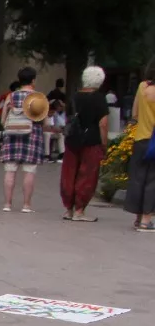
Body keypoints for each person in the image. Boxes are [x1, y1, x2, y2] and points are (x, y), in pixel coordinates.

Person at [61, 65, 110, 222]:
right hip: (91, 140)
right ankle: (80, 210)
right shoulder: (99, 99)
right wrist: (104, 144)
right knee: (87, 174)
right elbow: (103, 124)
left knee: (69, 173)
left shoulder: (74, 97)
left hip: (72, 139)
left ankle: (68, 209)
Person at [0, 67, 47, 213]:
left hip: (12, 135)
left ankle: (7, 204)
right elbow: (44, 121)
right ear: (33, 80)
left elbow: (3, 120)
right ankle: (26, 205)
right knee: (29, 171)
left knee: (10, 170)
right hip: (32, 136)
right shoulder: (38, 97)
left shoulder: (11, 97)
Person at [124, 71, 155, 230]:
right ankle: (146, 220)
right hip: (154, 140)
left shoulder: (142, 86)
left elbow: (135, 113)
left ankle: (137, 218)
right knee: (152, 181)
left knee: (138, 178)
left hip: (141, 138)